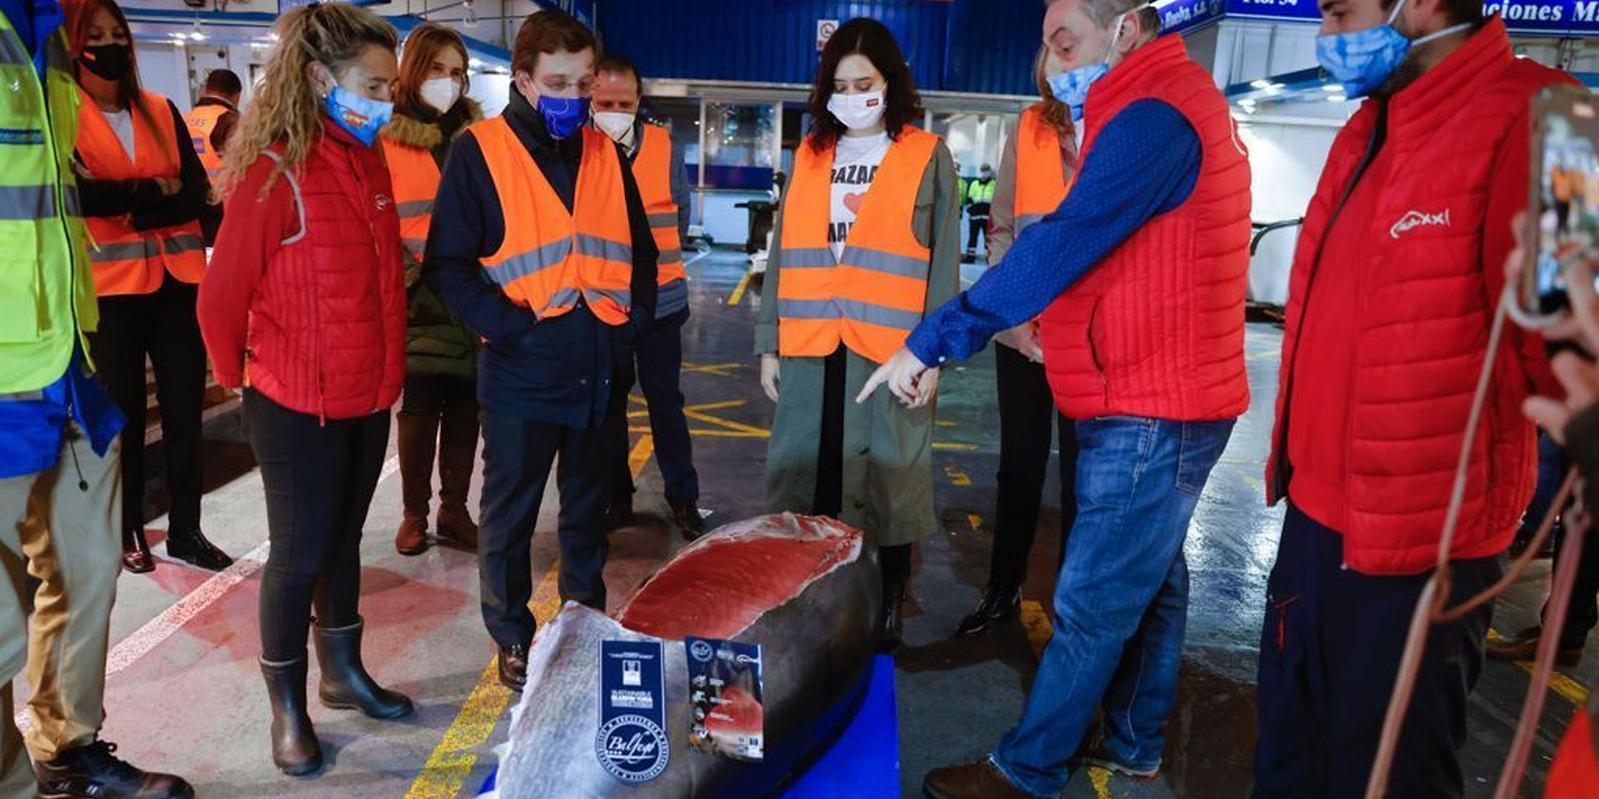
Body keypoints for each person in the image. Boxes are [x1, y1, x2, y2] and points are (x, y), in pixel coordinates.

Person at [861, 0, 1252, 794]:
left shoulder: (1154, 116)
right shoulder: (1148, 103)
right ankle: (1137, 736)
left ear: (1126, 29)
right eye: (1045, 43)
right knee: (1152, 582)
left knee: (1093, 598)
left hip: (1151, 400)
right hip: (1156, 389)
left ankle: (1029, 766)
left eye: (1063, 39)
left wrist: (937, 336)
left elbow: (1064, 241)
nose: (1051, 59)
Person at [1242, 0, 1574, 795]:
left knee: (1387, 775)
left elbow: (1573, 341)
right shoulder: (1369, 123)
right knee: (1288, 760)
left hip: (1422, 551)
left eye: (1338, 11)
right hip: (1312, 525)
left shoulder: (1552, 116)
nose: (1327, 34)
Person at [197, 3, 413, 776]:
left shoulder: (368, 161)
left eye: (391, 87)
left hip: (364, 391)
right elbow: (219, 297)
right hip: (294, 401)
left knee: (345, 539)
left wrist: (388, 374)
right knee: (297, 553)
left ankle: (342, 672)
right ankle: (287, 706)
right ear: (322, 78)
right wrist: (241, 375)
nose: (385, 101)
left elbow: (383, 283)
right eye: (373, 85)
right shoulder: (272, 170)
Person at [423, 9, 658, 692]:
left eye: (584, 83)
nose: (574, 98)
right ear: (522, 78)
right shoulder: (479, 152)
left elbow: (639, 253)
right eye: (558, 82)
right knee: (510, 516)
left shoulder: (604, 153)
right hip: (524, 370)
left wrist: (630, 323)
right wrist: (512, 328)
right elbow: (450, 265)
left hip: (600, 369)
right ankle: (513, 635)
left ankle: (584, 622)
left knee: (588, 515)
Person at [2, 1, 196, 795]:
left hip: (70, 362)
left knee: (88, 575)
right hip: (7, 376)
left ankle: (66, 747)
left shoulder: (48, 38)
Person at [756, 17, 961, 653]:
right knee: (808, 477)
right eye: (840, 84)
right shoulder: (812, 153)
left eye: (864, 82)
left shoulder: (927, 157)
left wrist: (934, 356)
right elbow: (784, 252)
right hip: (813, 341)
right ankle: (811, 602)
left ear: (889, 83)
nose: (851, 95)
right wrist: (769, 339)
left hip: (891, 350)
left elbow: (943, 265)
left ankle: (885, 602)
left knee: (888, 483)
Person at [69, 0, 232, 575]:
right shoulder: (64, 114)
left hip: (178, 282)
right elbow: (81, 199)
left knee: (186, 412)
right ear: (73, 43)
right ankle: (128, 528)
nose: (111, 43)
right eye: (96, 34)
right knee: (127, 419)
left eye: (118, 32)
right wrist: (153, 194)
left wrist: (134, 201)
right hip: (112, 289)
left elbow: (195, 194)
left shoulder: (162, 110)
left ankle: (187, 530)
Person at [955, 47, 1081, 639]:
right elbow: (1002, 227)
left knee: (1087, 480)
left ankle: (1075, 607)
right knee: (1019, 468)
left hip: (1092, 339)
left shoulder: (1124, 125)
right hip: (1025, 334)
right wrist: (1015, 317)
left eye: (1071, 46)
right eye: (1052, 52)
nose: (1061, 67)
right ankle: (1001, 591)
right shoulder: (1028, 127)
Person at [592, 52, 705, 539]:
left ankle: (683, 499)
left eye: (624, 101)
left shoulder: (664, 146)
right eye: (604, 102)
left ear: (639, 101)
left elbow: (677, 219)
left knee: (666, 403)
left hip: (662, 302)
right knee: (609, 407)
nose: (615, 110)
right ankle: (617, 499)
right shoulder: (580, 148)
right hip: (605, 303)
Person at [380, 22, 483, 557]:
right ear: (412, 72)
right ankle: (414, 515)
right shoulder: (386, 135)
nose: (447, 82)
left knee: (467, 408)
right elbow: (377, 219)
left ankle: (455, 510)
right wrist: (407, 280)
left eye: (457, 73)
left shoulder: (480, 139)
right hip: (416, 293)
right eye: (437, 70)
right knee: (420, 407)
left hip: (470, 291)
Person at [184, 67, 242, 245]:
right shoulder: (231, 121)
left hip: (189, 206)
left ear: (205, 90)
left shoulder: (183, 118)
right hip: (222, 207)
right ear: (237, 96)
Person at [962, 162, 995, 263]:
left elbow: (996, 201)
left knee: (988, 239)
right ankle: (970, 257)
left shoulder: (994, 184)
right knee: (972, 238)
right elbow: (969, 199)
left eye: (986, 171)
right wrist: (971, 210)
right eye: (983, 171)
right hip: (975, 217)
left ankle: (990, 258)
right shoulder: (974, 184)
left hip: (987, 218)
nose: (984, 173)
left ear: (990, 172)